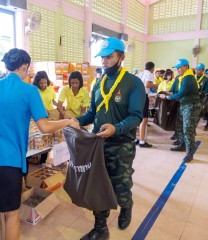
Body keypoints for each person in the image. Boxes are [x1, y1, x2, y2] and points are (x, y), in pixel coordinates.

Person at [0, 48, 79, 240]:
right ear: (24, 66)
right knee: (12, 214)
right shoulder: (30, 91)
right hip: (9, 162)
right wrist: (68, 121)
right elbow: (43, 126)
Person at [76, 37, 145, 240]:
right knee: (99, 186)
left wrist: (117, 129)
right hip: (99, 145)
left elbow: (136, 116)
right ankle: (100, 228)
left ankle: (126, 206)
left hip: (121, 145)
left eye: (109, 57)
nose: (104, 61)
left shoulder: (133, 83)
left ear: (121, 57)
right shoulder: (99, 83)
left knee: (121, 185)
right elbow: (92, 113)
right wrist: (75, 121)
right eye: (102, 57)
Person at [159, 59, 201, 163]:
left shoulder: (189, 78)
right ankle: (182, 145)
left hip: (191, 106)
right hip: (184, 105)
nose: (177, 69)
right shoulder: (183, 77)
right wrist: (166, 93)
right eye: (177, 68)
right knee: (180, 126)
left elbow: (180, 94)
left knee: (188, 129)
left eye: (179, 67)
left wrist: (166, 97)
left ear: (186, 67)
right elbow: (176, 91)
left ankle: (190, 153)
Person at [32, 70, 58, 165]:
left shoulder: (50, 89)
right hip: (39, 118)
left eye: (45, 82)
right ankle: (35, 157)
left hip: (50, 117)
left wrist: (59, 106)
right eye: (41, 83)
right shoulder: (34, 90)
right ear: (37, 82)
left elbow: (53, 101)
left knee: (48, 138)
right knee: (40, 137)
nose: (43, 85)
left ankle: (43, 160)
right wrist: (44, 110)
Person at [137, 61, 158, 147]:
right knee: (144, 119)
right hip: (143, 96)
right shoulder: (150, 74)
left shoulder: (141, 73)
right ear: (152, 68)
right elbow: (147, 85)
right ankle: (142, 141)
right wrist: (156, 84)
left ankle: (135, 139)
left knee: (138, 118)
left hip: (138, 96)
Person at [195, 63, 208, 130]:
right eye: (196, 69)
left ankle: (193, 129)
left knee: (197, 115)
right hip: (192, 98)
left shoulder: (206, 80)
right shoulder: (192, 78)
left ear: (203, 70)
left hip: (200, 99)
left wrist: (201, 93)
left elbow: (206, 90)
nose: (196, 71)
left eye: (198, 70)